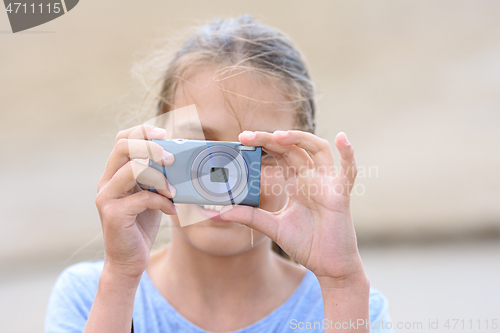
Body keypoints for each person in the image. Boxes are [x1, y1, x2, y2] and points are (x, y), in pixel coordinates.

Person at [45, 14, 393, 333]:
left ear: (303, 166)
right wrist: (120, 277)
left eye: (259, 153)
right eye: (198, 144)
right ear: (153, 143)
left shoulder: (351, 306)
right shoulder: (90, 296)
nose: (222, 178)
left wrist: (341, 282)